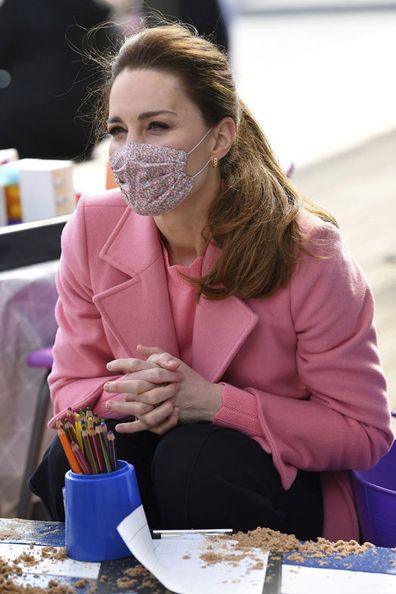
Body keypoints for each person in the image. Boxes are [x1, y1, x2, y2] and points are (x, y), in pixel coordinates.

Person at [30, 24, 393, 541]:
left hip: (275, 492)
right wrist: (139, 396)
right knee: (92, 451)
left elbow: (363, 432)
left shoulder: (307, 251)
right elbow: (69, 387)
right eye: (118, 130)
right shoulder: (92, 227)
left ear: (220, 137)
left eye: (156, 126)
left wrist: (216, 403)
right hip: (154, 464)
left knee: (195, 457)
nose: (131, 151)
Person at [0, 0, 114, 160]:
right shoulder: (94, 10)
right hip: (79, 126)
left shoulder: (18, 6)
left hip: (24, 124)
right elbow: (105, 62)